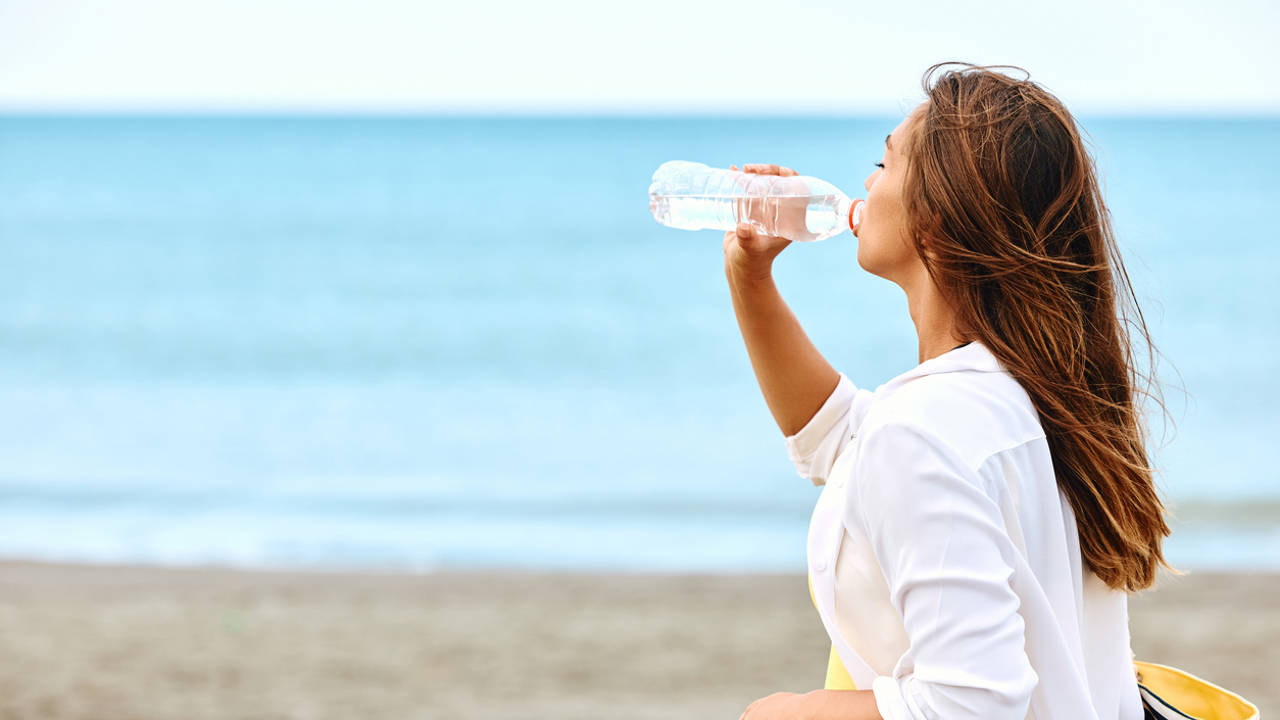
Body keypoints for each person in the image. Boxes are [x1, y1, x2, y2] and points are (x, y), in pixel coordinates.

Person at [724, 62, 1174, 720]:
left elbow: (969, 704)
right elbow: (842, 442)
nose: (867, 185)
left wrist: (780, 713)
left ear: (935, 217)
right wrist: (750, 277)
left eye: (884, 165)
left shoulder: (925, 428)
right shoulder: (1034, 399)